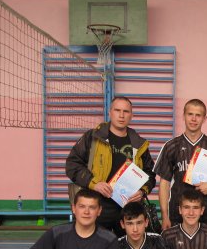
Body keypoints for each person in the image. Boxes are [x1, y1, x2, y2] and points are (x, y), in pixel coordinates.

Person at [66, 96, 156, 237]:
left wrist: (142, 191)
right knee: (96, 247)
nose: (121, 115)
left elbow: (150, 174)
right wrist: (94, 184)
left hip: (127, 208)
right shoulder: (92, 137)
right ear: (110, 112)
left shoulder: (139, 144)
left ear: (131, 115)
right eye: (117, 110)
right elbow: (72, 164)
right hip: (97, 206)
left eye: (126, 111)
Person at [154, 99, 207, 230]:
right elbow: (164, 183)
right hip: (177, 214)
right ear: (184, 116)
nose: (194, 119)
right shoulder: (171, 146)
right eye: (190, 114)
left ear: (204, 119)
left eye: (198, 115)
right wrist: (165, 215)